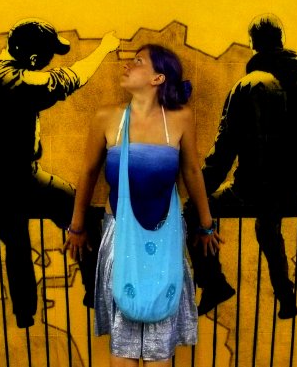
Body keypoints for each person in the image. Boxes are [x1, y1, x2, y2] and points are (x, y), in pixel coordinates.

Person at [0, 18, 120, 328]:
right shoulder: (15, 83)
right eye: (47, 58)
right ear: (33, 59)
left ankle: (24, 313)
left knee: (16, 242)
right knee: (80, 212)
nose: (50, 63)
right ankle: (95, 291)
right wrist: (103, 49)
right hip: (19, 180)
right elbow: (72, 78)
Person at [65, 44, 220, 366]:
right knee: (124, 332)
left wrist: (206, 225)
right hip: (119, 235)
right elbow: (88, 172)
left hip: (167, 236)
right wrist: (76, 227)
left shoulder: (180, 118)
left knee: (160, 332)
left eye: (138, 61)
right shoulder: (107, 117)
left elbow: (192, 172)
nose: (127, 65)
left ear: (158, 78)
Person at [186, 13, 297, 319]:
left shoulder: (248, 87)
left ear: (254, 44)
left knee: (194, 211)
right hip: (289, 193)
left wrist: (200, 191)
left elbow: (224, 150)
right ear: (282, 40)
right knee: (268, 226)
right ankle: (285, 295)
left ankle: (213, 282)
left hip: (249, 191)